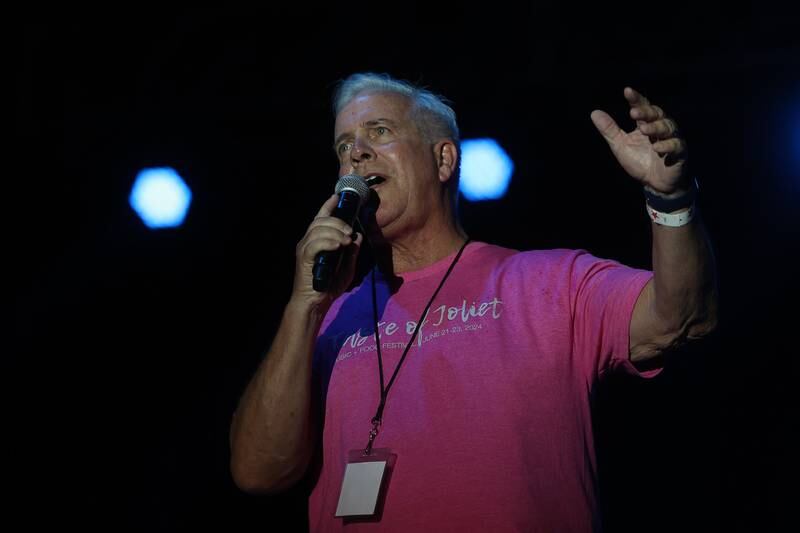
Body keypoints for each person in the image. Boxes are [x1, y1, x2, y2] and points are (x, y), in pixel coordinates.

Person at [229, 72, 718, 532]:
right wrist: (303, 306)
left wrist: (670, 200)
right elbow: (257, 472)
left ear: (444, 160)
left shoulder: (549, 280)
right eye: (343, 145)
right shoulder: (327, 318)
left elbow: (682, 319)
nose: (355, 154)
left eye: (378, 131)